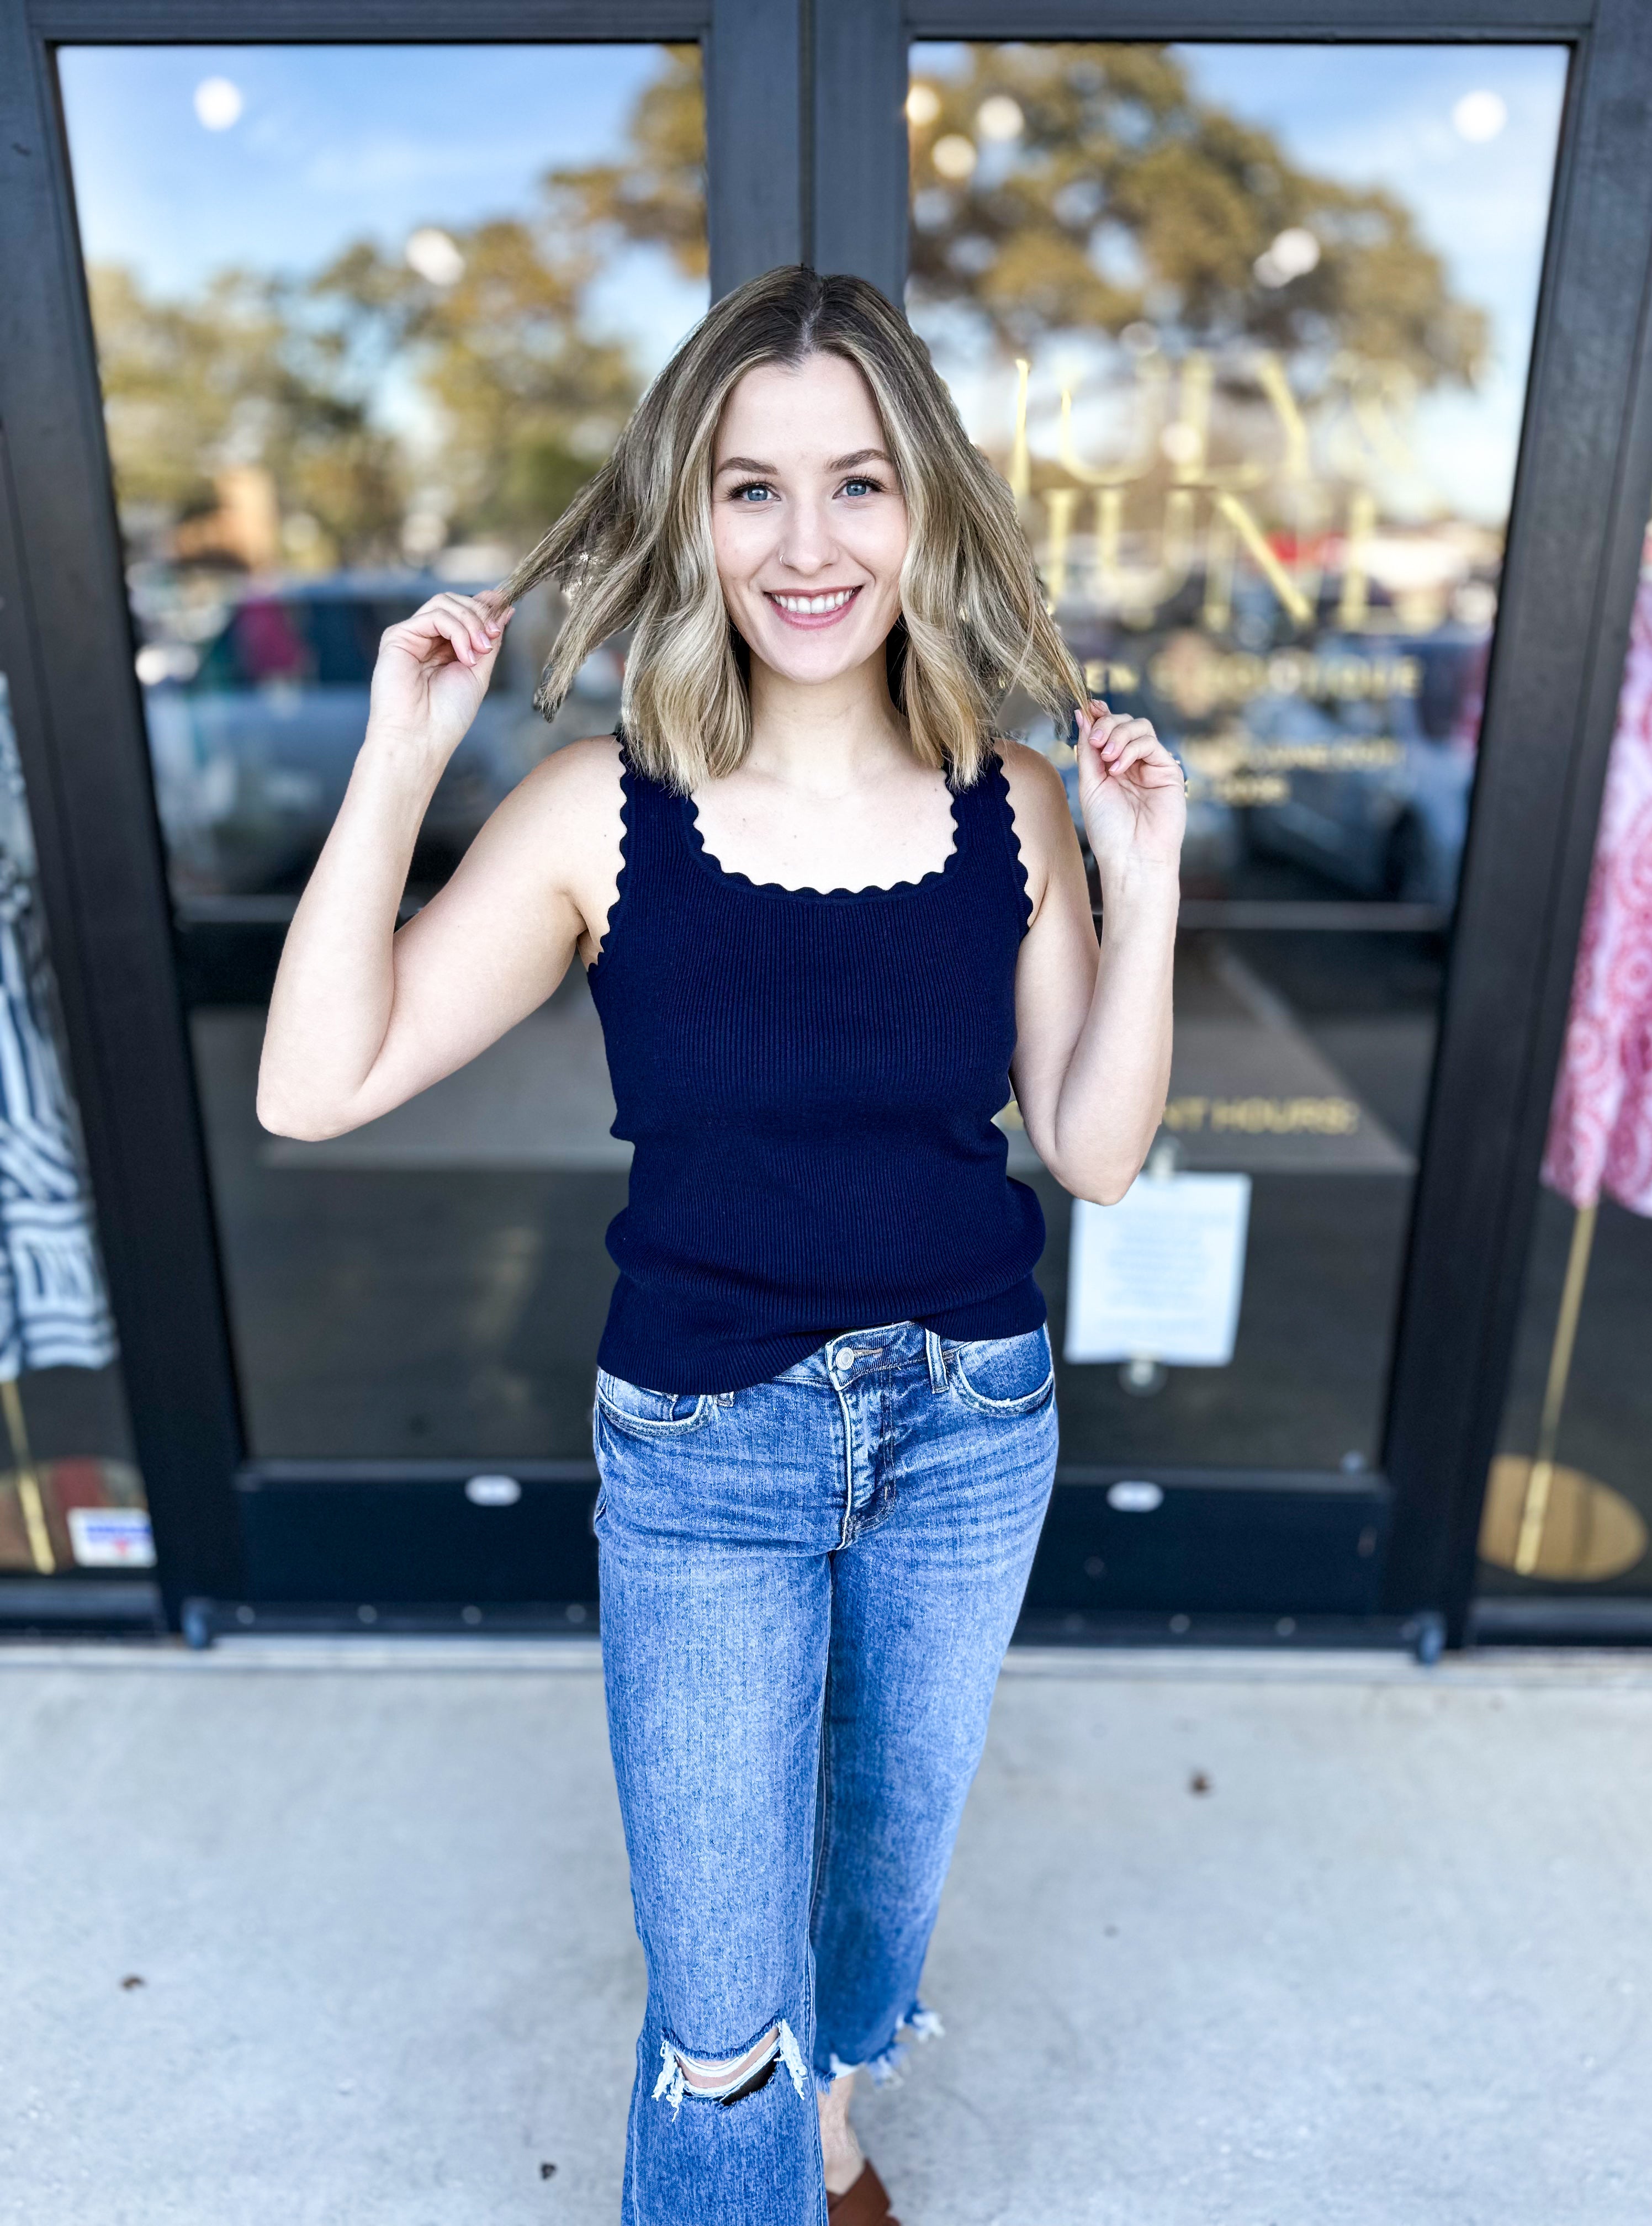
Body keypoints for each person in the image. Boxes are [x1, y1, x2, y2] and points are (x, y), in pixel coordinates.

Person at [257, 265, 1183, 2226]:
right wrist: (401, 759)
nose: (808, 540)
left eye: (856, 482)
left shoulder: (1011, 805)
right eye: (752, 487)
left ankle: (835, 2132)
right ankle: (761, 2144)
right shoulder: (606, 812)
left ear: (924, 504)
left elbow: (1095, 1154)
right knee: (712, 2014)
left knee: (878, 1885)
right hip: (706, 1450)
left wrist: (1146, 879)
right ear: (694, 513)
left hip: (968, 1426)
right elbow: (311, 1084)